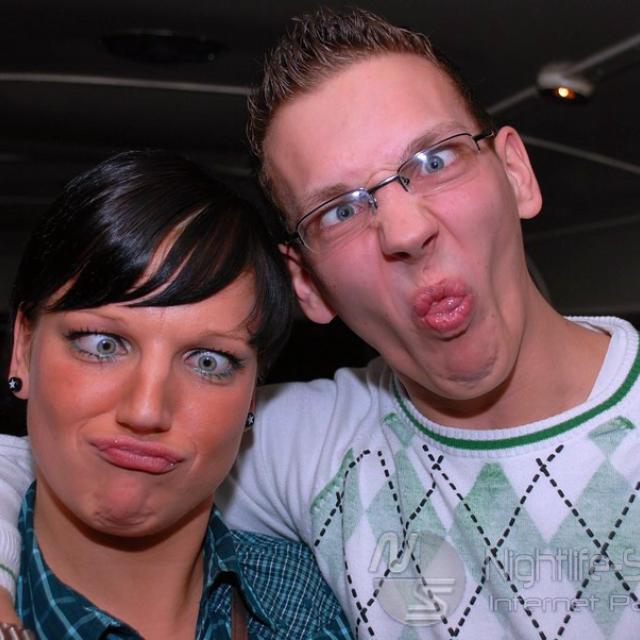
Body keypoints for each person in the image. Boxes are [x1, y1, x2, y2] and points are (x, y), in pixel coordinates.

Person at [0, 6, 639, 639]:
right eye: (340, 210)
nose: (406, 230)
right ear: (307, 283)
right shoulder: (314, 445)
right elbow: (51, 459)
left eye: (434, 160)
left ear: (517, 174)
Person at [0, 150, 352, 639]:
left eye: (208, 361)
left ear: (253, 395)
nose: (146, 410)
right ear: (23, 348)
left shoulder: (316, 604)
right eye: (103, 345)